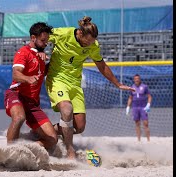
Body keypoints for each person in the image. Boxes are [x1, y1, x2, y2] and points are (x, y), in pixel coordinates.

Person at [43, 16, 135, 159]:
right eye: (87, 41)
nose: (89, 45)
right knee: (66, 110)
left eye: (92, 42)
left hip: (75, 84)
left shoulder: (93, 45)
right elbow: (41, 35)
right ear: (80, 33)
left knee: (79, 127)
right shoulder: (63, 34)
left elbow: (101, 65)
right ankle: (70, 152)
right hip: (57, 79)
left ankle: (44, 132)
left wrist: (118, 83)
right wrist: (40, 51)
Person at [4, 22, 58, 151]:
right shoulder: (23, 52)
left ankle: (25, 147)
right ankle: (9, 153)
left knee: (52, 140)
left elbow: (41, 72)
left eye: (47, 41)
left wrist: (51, 62)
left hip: (33, 103)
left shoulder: (41, 56)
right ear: (33, 38)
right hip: (16, 94)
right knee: (19, 117)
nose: (46, 43)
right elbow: (16, 74)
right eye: (43, 40)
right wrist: (27, 78)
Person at [126, 74, 152, 142]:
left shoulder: (144, 87)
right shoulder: (132, 87)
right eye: (135, 79)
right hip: (135, 107)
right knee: (137, 124)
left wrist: (148, 105)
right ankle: (139, 140)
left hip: (143, 107)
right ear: (134, 80)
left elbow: (149, 96)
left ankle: (148, 140)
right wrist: (128, 107)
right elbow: (130, 98)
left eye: (138, 78)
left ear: (140, 79)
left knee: (145, 123)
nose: (137, 80)